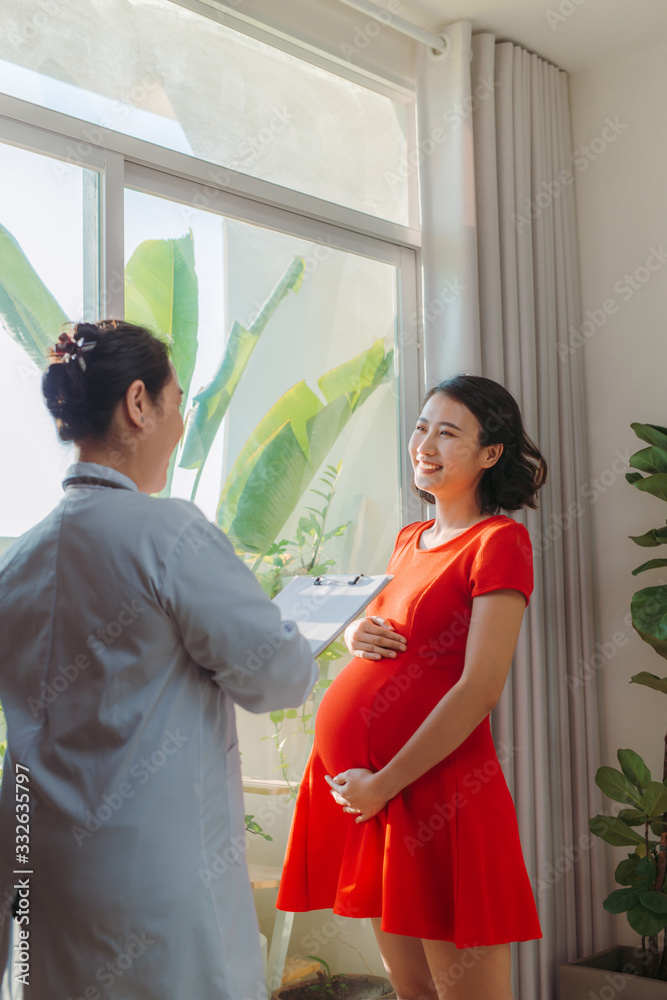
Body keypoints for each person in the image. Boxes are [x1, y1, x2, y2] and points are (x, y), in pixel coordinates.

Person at [0, 320, 318, 1000]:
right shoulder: (168, 533)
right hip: (153, 891)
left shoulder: (18, 559)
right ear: (138, 404)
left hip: (44, 879)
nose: (177, 429)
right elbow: (277, 676)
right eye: (176, 406)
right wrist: (296, 631)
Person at [275, 374, 548, 1000]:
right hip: (377, 800)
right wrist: (355, 637)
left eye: (448, 432)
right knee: (412, 991)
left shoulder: (500, 541)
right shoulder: (407, 541)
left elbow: (479, 688)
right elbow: (405, 641)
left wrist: (382, 784)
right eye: (422, 426)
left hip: (437, 793)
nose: (425, 442)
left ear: (490, 454)